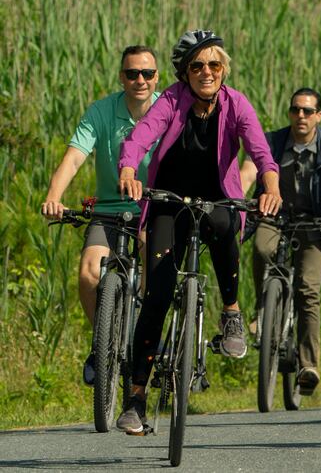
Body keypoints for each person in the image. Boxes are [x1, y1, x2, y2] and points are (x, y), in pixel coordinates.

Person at [115, 30, 281, 432]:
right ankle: (136, 397)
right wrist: (128, 169)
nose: (207, 72)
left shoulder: (235, 103)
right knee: (156, 293)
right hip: (167, 201)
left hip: (217, 200)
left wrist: (271, 186)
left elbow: (260, 151)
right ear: (184, 72)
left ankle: (231, 314)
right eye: (198, 66)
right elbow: (139, 138)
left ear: (223, 69)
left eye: (214, 65)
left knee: (225, 225)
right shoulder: (171, 101)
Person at [41, 45, 160, 386]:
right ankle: (102, 344)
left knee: (155, 264)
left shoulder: (167, 109)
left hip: (153, 208)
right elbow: (75, 157)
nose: (140, 80)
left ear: (157, 77)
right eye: (132, 73)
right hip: (109, 209)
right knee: (90, 272)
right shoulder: (101, 111)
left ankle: (149, 337)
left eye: (147, 73)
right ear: (121, 77)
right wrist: (54, 196)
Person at [241, 87, 321, 397]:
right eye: (295, 110)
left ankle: (308, 365)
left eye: (307, 111)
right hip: (273, 216)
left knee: (307, 287)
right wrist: (235, 197)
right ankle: (261, 312)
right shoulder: (272, 141)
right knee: (262, 248)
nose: (300, 116)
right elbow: (248, 171)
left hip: (315, 224)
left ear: (319, 115)